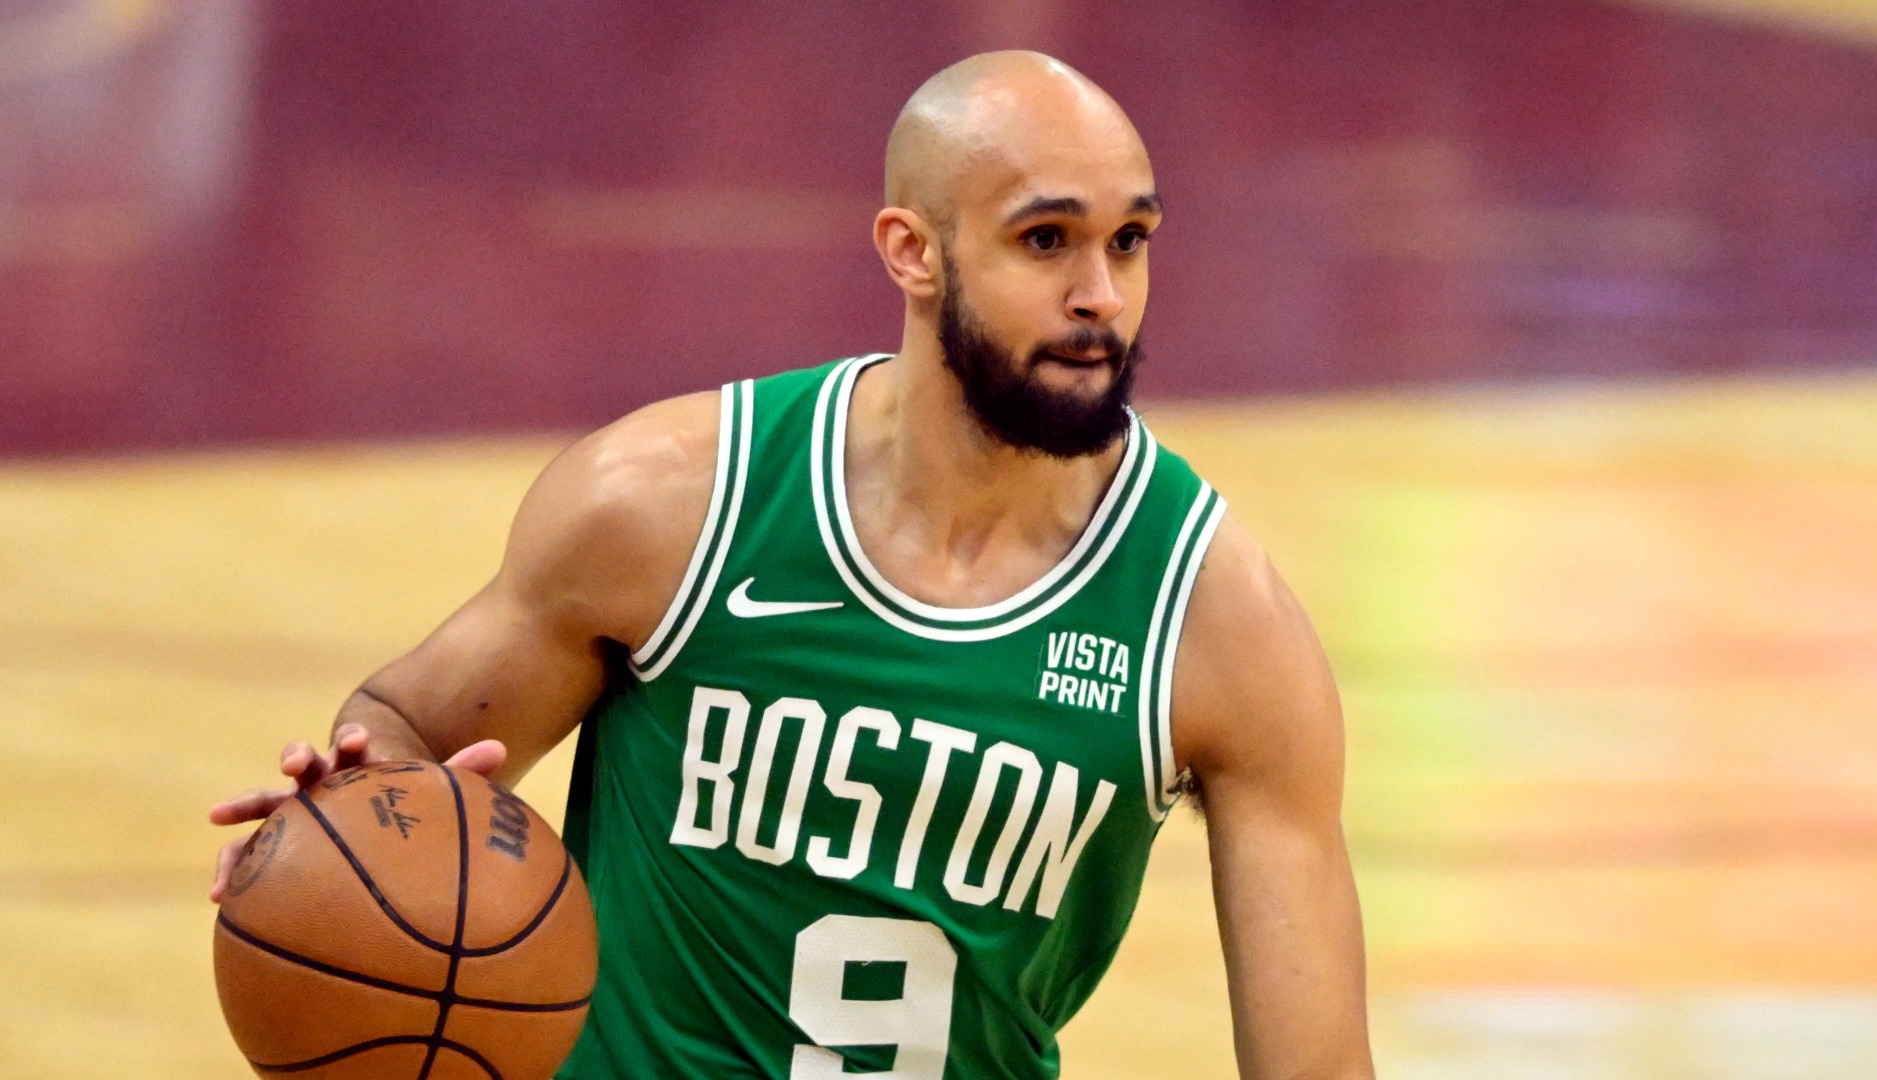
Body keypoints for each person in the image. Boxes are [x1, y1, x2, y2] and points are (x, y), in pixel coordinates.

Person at [209, 50, 1374, 1080]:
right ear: (912, 252)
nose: (1101, 298)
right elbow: (409, 725)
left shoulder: (1213, 620)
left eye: (1131, 241)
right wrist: (350, 828)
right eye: (1045, 240)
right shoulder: (672, 505)